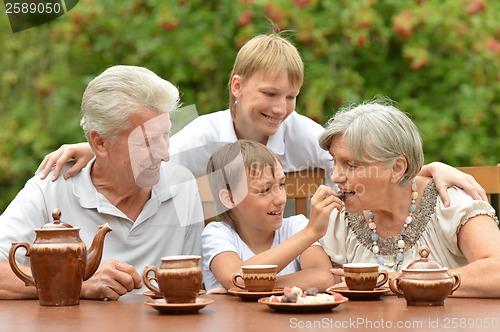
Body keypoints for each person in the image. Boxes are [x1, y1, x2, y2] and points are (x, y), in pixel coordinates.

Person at [34, 29, 486, 208]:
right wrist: (94, 149)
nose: (280, 108)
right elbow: (149, 163)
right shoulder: (202, 132)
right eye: (269, 94)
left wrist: (434, 167)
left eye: (291, 95)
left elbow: (371, 164)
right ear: (236, 87)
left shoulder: (304, 132)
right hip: (228, 257)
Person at [0, 65, 204, 301]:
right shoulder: (50, 188)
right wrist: (77, 283)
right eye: (147, 142)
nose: (164, 154)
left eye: (166, 135)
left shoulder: (183, 186)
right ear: (100, 142)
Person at [318, 98, 500, 298]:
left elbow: (496, 272)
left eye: (351, 165)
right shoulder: (339, 219)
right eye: (334, 161)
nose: (335, 176)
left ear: (396, 168)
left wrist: (398, 280)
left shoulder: (449, 202)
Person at [202, 140, 339, 292]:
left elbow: (324, 278)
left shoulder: (296, 227)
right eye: (265, 190)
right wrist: (311, 233)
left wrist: (251, 285)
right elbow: (235, 278)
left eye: (281, 185)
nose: (281, 199)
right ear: (231, 198)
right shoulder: (217, 234)